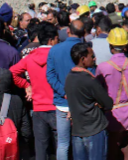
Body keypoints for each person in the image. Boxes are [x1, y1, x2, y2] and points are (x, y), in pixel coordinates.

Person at [10, 24, 59, 160]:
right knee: (61, 146)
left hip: (38, 108)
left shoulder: (30, 57)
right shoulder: (58, 56)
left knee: (40, 148)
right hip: (57, 106)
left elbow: (12, 72)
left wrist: (26, 85)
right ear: (52, 40)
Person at [95, 28, 128, 160]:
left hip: (112, 116)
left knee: (112, 154)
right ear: (126, 46)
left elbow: (98, 92)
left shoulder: (103, 67)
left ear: (111, 47)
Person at [64, 42, 112, 160]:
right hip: (94, 130)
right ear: (83, 59)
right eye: (92, 56)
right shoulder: (89, 80)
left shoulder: (69, 77)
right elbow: (108, 103)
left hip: (77, 131)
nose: (94, 58)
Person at [46, 20, 85, 160]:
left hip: (62, 103)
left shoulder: (55, 49)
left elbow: (50, 75)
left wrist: (64, 92)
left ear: (68, 31)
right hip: (82, 104)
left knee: (62, 143)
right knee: (79, 141)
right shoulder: (86, 50)